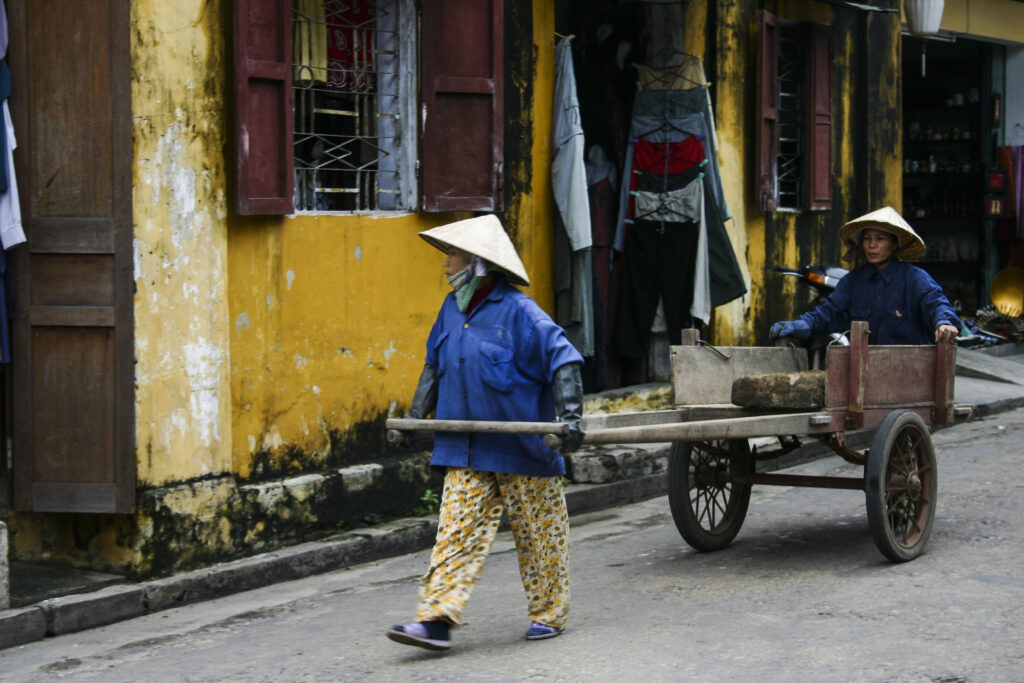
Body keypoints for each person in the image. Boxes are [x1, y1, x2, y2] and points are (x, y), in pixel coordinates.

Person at [386, 214, 585, 652]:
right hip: (464, 445)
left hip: (522, 446)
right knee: (455, 532)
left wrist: (571, 418)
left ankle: (549, 612)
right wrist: (415, 420)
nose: (445, 262)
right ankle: (435, 620)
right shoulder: (449, 311)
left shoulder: (519, 312)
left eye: (453, 254)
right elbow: (434, 367)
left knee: (540, 534)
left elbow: (564, 359)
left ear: (477, 263)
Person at [770, 207, 961, 345]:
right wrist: (803, 324)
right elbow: (830, 313)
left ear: (894, 244)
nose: (872, 245)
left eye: (880, 239)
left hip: (911, 371)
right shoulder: (854, 281)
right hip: (865, 370)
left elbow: (936, 303)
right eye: (868, 239)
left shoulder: (915, 278)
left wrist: (944, 322)